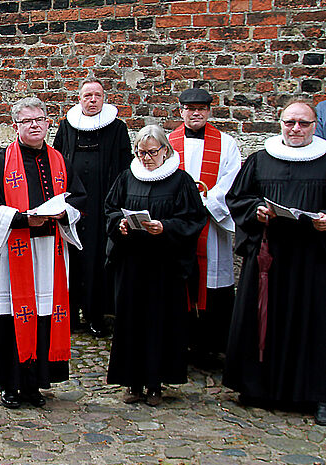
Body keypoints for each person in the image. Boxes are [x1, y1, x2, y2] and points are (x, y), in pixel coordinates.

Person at [0, 97, 84, 409]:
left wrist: (64, 214)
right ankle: (10, 384)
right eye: (27, 121)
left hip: (49, 251)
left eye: (40, 119)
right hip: (14, 254)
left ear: (49, 123)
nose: (34, 125)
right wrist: (22, 218)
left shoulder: (60, 161)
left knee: (45, 316)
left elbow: (79, 198)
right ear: (15, 127)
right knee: (11, 318)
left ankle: (35, 384)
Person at [223, 101, 326, 425]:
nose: (296, 129)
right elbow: (238, 198)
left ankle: (317, 395)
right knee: (262, 320)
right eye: (290, 122)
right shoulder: (260, 160)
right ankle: (257, 388)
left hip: (313, 261)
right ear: (279, 123)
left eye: (303, 124)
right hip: (269, 258)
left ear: (314, 126)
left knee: (314, 325)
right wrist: (257, 210)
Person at [104, 125, 206, 406]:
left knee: (160, 322)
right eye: (141, 152)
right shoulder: (127, 177)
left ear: (166, 150)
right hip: (132, 262)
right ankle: (132, 382)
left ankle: (156, 383)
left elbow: (194, 219)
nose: (146, 158)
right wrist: (120, 224)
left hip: (165, 265)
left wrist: (167, 227)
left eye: (152, 152)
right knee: (130, 320)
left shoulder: (180, 181)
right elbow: (111, 208)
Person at [53, 79, 133, 337]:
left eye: (97, 95)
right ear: (79, 99)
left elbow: (124, 167)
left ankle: (97, 315)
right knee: (71, 259)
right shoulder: (66, 128)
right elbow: (57, 162)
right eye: (87, 95)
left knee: (98, 260)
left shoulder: (117, 129)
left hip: (103, 203)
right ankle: (70, 315)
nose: (92, 100)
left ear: (104, 99)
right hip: (73, 202)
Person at [168, 88, 241, 366]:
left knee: (213, 282)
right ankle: (181, 343)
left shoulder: (226, 143)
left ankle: (212, 346)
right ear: (181, 110)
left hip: (211, 224)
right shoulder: (168, 142)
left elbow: (231, 180)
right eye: (189, 108)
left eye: (201, 108)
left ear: (209, 111)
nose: (195, 112)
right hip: (180, 226)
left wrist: (204, 203)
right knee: (179, 283)